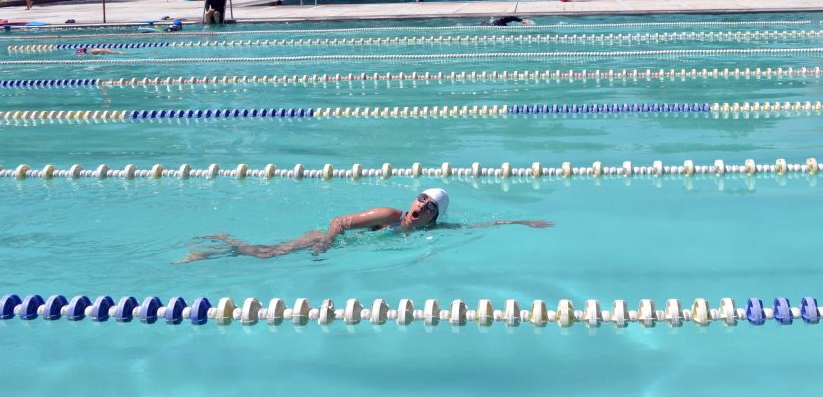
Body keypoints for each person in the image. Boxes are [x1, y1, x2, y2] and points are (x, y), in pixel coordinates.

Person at [181, 188, 552, 261]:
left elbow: (480, 227)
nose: (420, 207)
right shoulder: (390, 215)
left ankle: (218, 249)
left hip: (344, 249)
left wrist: (522, 221)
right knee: (268, 255)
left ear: (435, 217)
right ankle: (220, 243)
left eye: (429, 207)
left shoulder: (435, 233)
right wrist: (327, 241)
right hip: (328, 240)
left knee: (267, 255)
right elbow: (339, 221)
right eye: (420, 199)